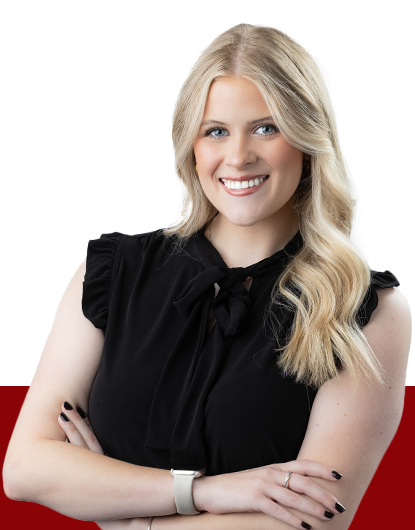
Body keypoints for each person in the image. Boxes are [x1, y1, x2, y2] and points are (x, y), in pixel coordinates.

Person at [3, 23, 411, 530]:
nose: (238, 156)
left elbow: (310, 523)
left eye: (267, 127)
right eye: (215, 130)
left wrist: (128, 519)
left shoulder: (364, 311)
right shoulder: (111, 272)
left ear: (308, 138)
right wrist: (203, 493)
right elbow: (24, 470)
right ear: (191, 146)